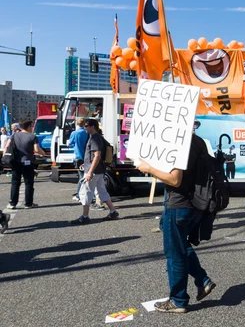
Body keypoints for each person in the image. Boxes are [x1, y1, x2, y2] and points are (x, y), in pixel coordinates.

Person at [137, 134, 217, 313]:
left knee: (175, 252)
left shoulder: (178, 142)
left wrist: (149, 168)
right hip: (194, 203)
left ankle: (178, 300)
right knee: (179, 245)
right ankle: (202, 280)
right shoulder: (197, 141)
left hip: (179, 204)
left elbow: (175, 179)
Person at [70, 119, 119, 224]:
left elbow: (97, 155)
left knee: (86, 192)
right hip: (99, 170)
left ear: (93, 127)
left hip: (94, 171)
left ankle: (85, 216)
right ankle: (113, 211)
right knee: (102, 191)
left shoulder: (95, 138)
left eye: (87, 126)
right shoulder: (97, 137)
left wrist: (90, 171)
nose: (85, 127)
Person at [6, 120, 44, 209]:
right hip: (28, 162)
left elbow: (7, 146)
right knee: (28, 183)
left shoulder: (14, 135)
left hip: (16, 162)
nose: (32, 128)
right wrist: (42, 153)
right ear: (28, 127)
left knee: (15, 183)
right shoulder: (32, 136)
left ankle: (12, 203)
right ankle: (28, 203)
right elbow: (37, 149)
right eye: (31, 126)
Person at [68, 118, 88, 201]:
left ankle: (79, 195)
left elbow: (70, 143)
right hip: (87, 156)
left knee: (81, 177)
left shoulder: (74, 133)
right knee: (88, 176)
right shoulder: (87, 132)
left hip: (79, 157)